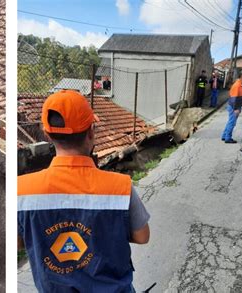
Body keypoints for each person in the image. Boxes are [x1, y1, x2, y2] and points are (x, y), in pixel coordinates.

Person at [17, 90, 150, 292]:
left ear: (47, 134)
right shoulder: (120, 187)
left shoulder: (22, 190)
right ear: (91, 132)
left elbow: (18, 243)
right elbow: (142, 236)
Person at [221, 72, 242, 143]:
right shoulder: (237, 85)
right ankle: (228, 138)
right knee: (232, 122)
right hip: (233, 107)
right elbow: (233, 99)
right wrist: (236, 109)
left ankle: (224, 136)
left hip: (237, 106)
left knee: (230, 121)